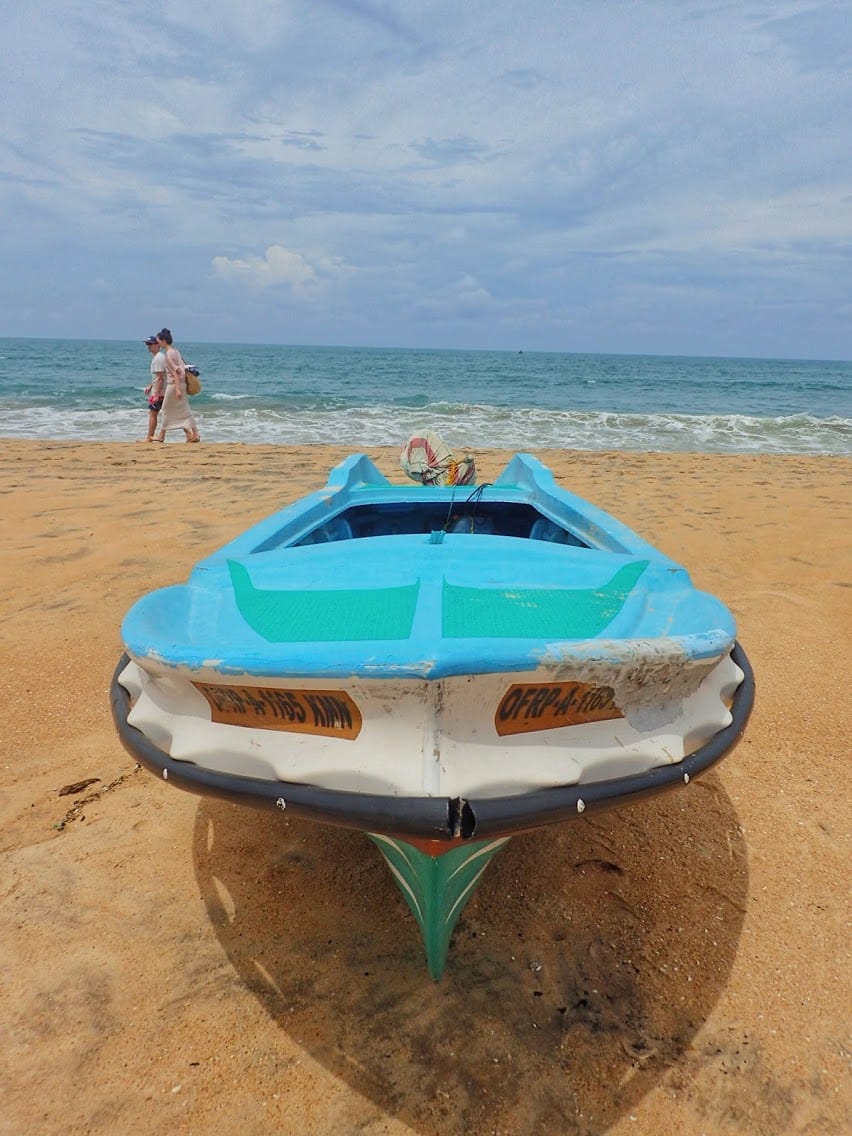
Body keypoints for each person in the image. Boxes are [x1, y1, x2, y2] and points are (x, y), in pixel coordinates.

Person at [153, 328, 200, 443]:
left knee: (166, 409)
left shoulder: (168, 354)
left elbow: (176, 372)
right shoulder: (176, 351)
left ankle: (162, 436)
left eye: (158, 341)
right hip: (181, 384)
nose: (158, 343)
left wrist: (177, 389)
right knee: (183, 409)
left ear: (163, 341)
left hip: (174, 385)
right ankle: (194, 434)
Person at [143, 335, 166, 441]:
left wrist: (156, 393)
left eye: (150, 344)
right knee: (170, 414)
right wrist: (150, 385)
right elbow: (157, 377)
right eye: (147, 344)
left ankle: (149, 438)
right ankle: (189, 433)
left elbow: (161, 377)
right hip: (159, 391)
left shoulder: (159, 358)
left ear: (157, 345)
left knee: (153, 414)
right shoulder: (158, 357)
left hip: (160, 392)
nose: (148, 347)